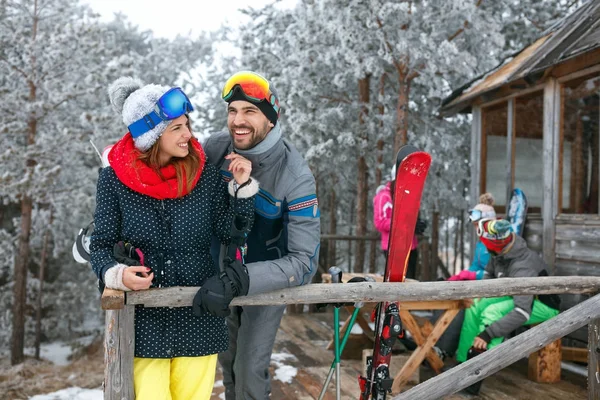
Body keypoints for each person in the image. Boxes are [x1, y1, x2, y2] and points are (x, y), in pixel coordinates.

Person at [90, 77, 258, 400]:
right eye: (176, 129)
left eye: (187, 125)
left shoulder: (204, 173)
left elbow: (229, 232)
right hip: (145, 323)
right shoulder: (114, 180)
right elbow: (99, 246)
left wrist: (241, 189)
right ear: (151, 136)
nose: (189, 135)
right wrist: (118, 274)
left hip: (199, 319)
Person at [198, 71, 321, 399]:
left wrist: (242, 278)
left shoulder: (295, 177)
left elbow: (304, 262)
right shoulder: (215, 148)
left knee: (249, 368)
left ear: (270, 119)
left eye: (249, 112)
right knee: (227, 361)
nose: (237, 120)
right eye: (232, 110)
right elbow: (172, 176)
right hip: (219, 273)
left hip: (264, 282)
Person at [455, 218, 560, 395]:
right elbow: (490, 273)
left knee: (491, 313)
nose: (482, 244)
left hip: (541, 305)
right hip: (515, 295)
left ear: (493, 244)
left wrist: (487, 334)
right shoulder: (499, 252)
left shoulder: (522, 266)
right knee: (475, 304)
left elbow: (522, 312)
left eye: (484, 241)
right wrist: (483, 291)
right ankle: (462, 364)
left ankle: (474, 377)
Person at [373, 164, 426, 280]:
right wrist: (405, 224)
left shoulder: (407, 195)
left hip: (410, 246)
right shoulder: (384, 197)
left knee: (411, 282)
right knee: (398, 284)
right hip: (393, 248)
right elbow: (380, 222)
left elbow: (408, 218)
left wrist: (416, 225)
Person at [448, 192, 496, 281]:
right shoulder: (481, 243)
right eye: (475, 225)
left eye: (478, 224)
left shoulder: (498, 243)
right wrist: (462, 276)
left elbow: (496, 273)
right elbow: (476, 265)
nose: (476, 228)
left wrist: (474, 275)